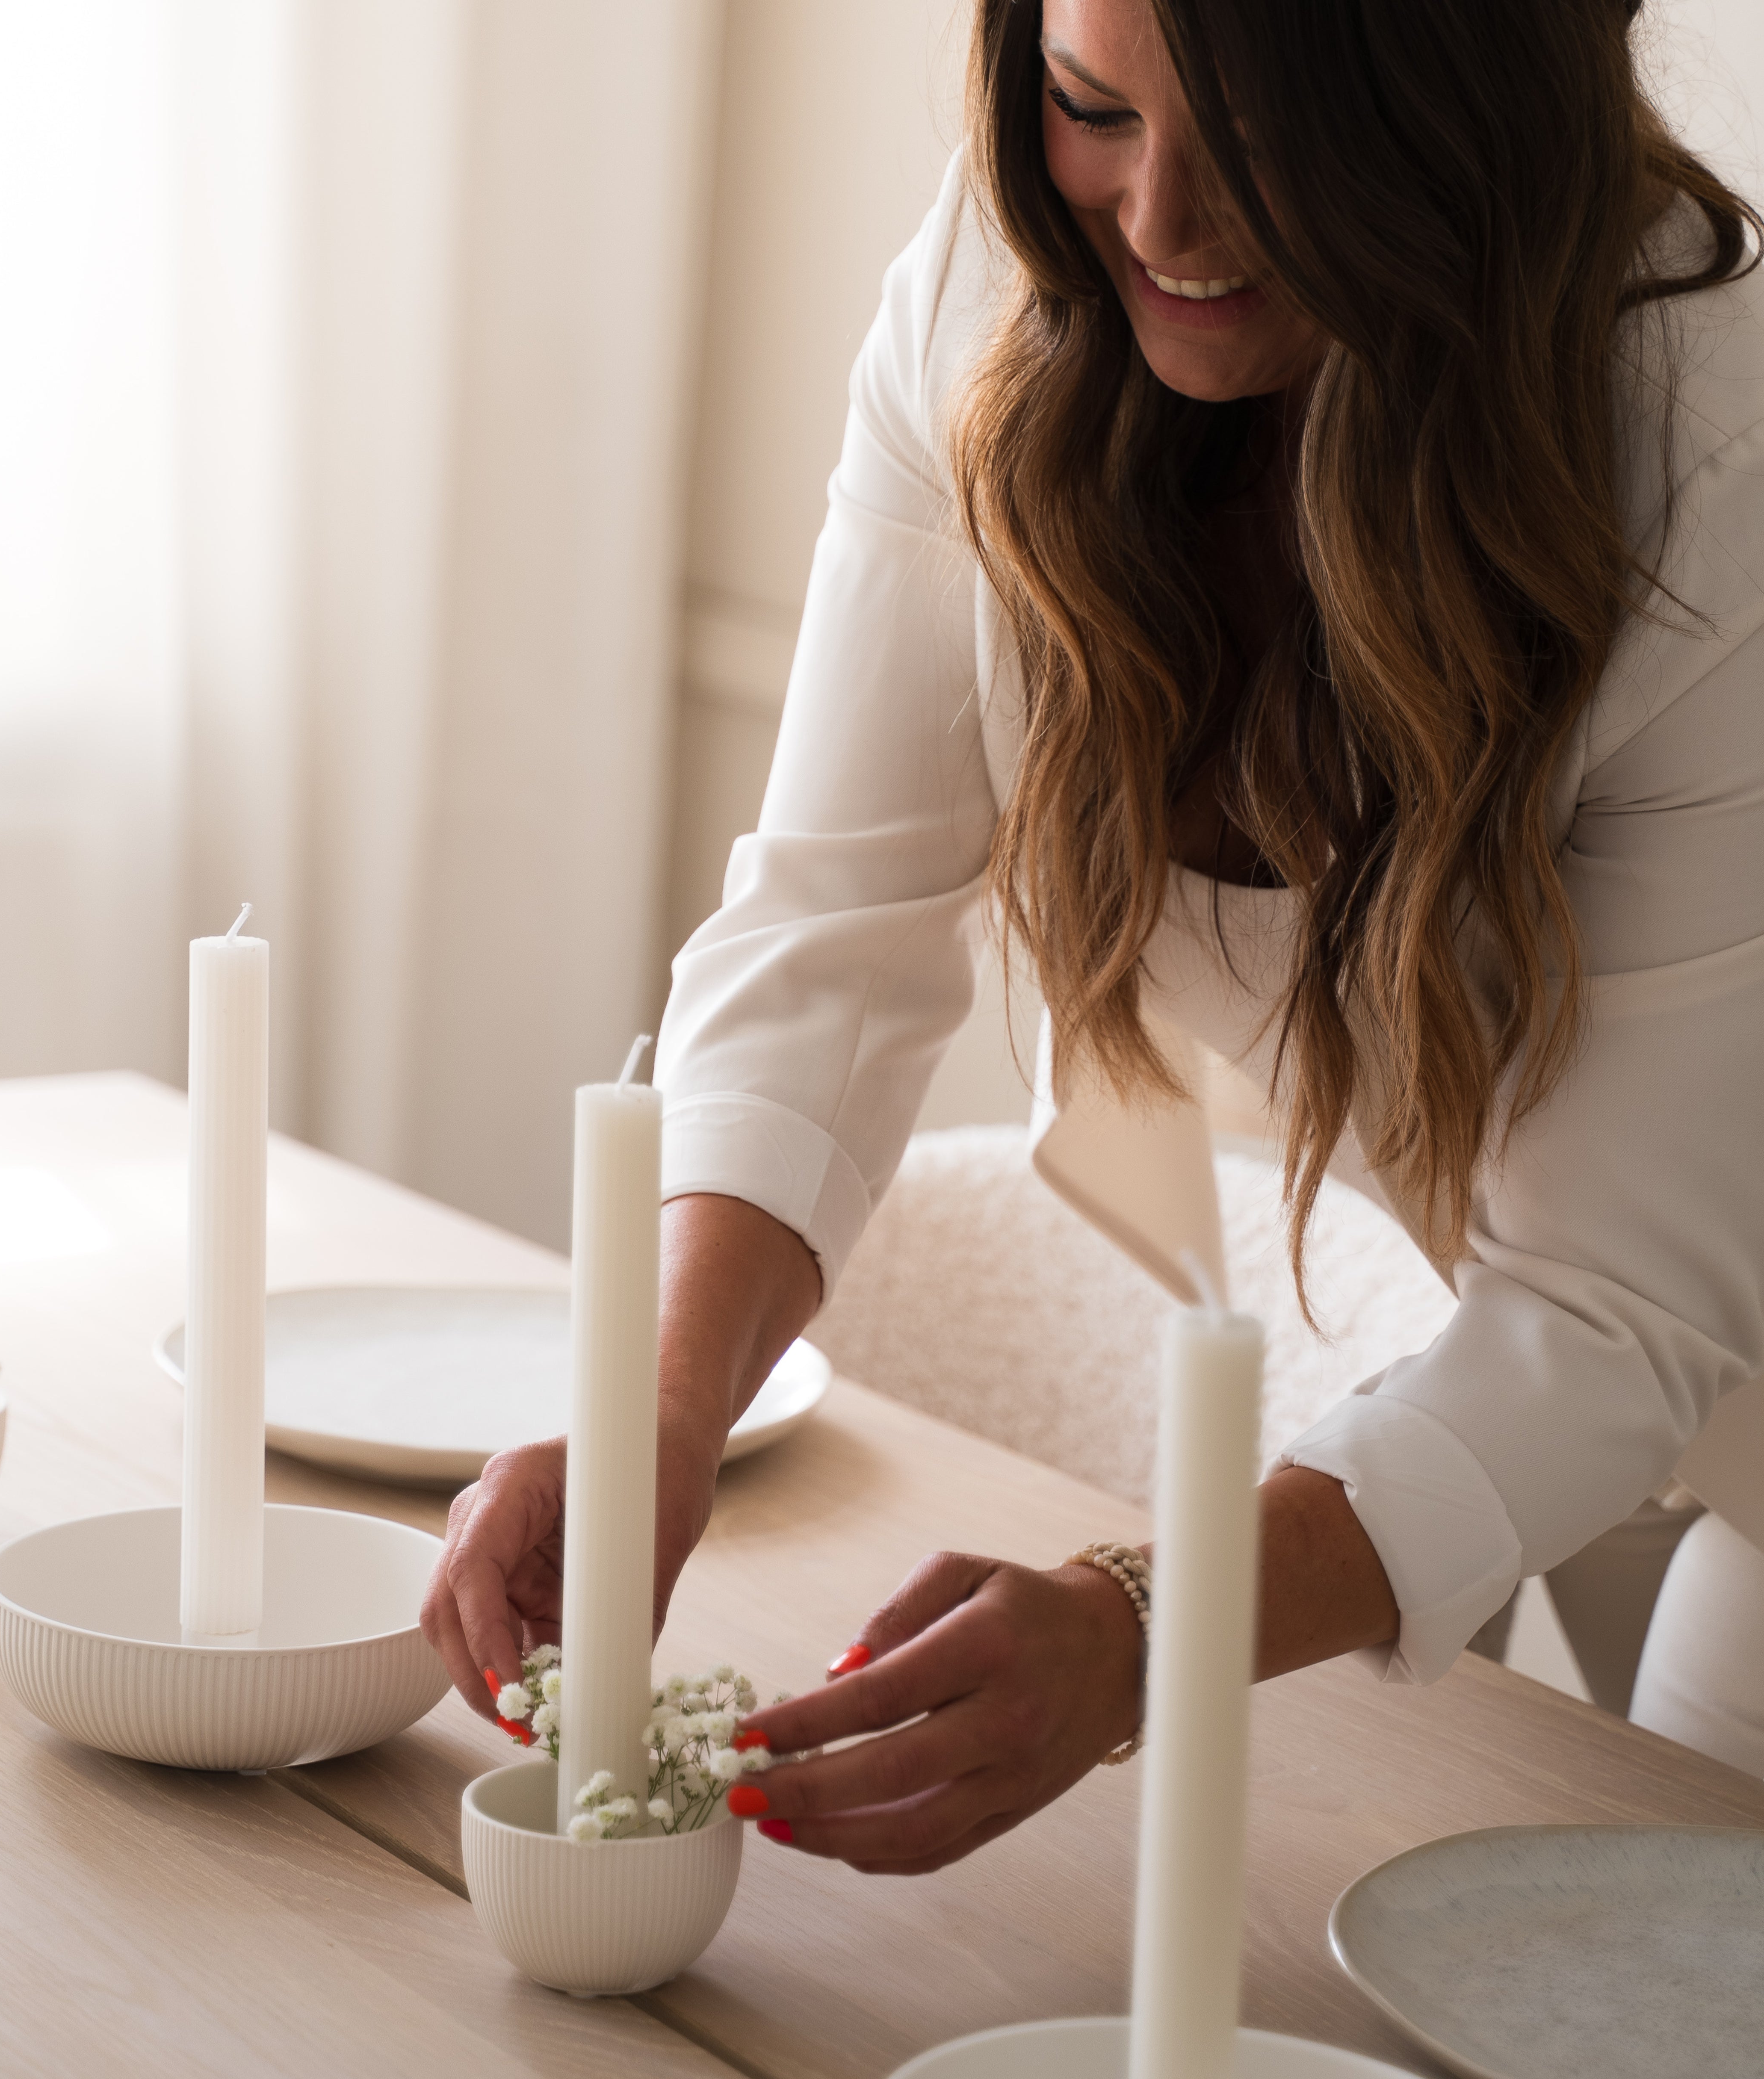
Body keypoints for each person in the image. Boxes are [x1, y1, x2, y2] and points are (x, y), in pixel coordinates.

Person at [423, 0, 1764, 1863]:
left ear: (1467, 119)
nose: (1162, 224)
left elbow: (1618, 1302)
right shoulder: (998, 288)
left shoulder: (1706, 455)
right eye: (1088, 106)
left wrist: (1148, 1620)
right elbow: (836, 911)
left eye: (1265, 142)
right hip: (1561, 1333)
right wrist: (658, 1411)